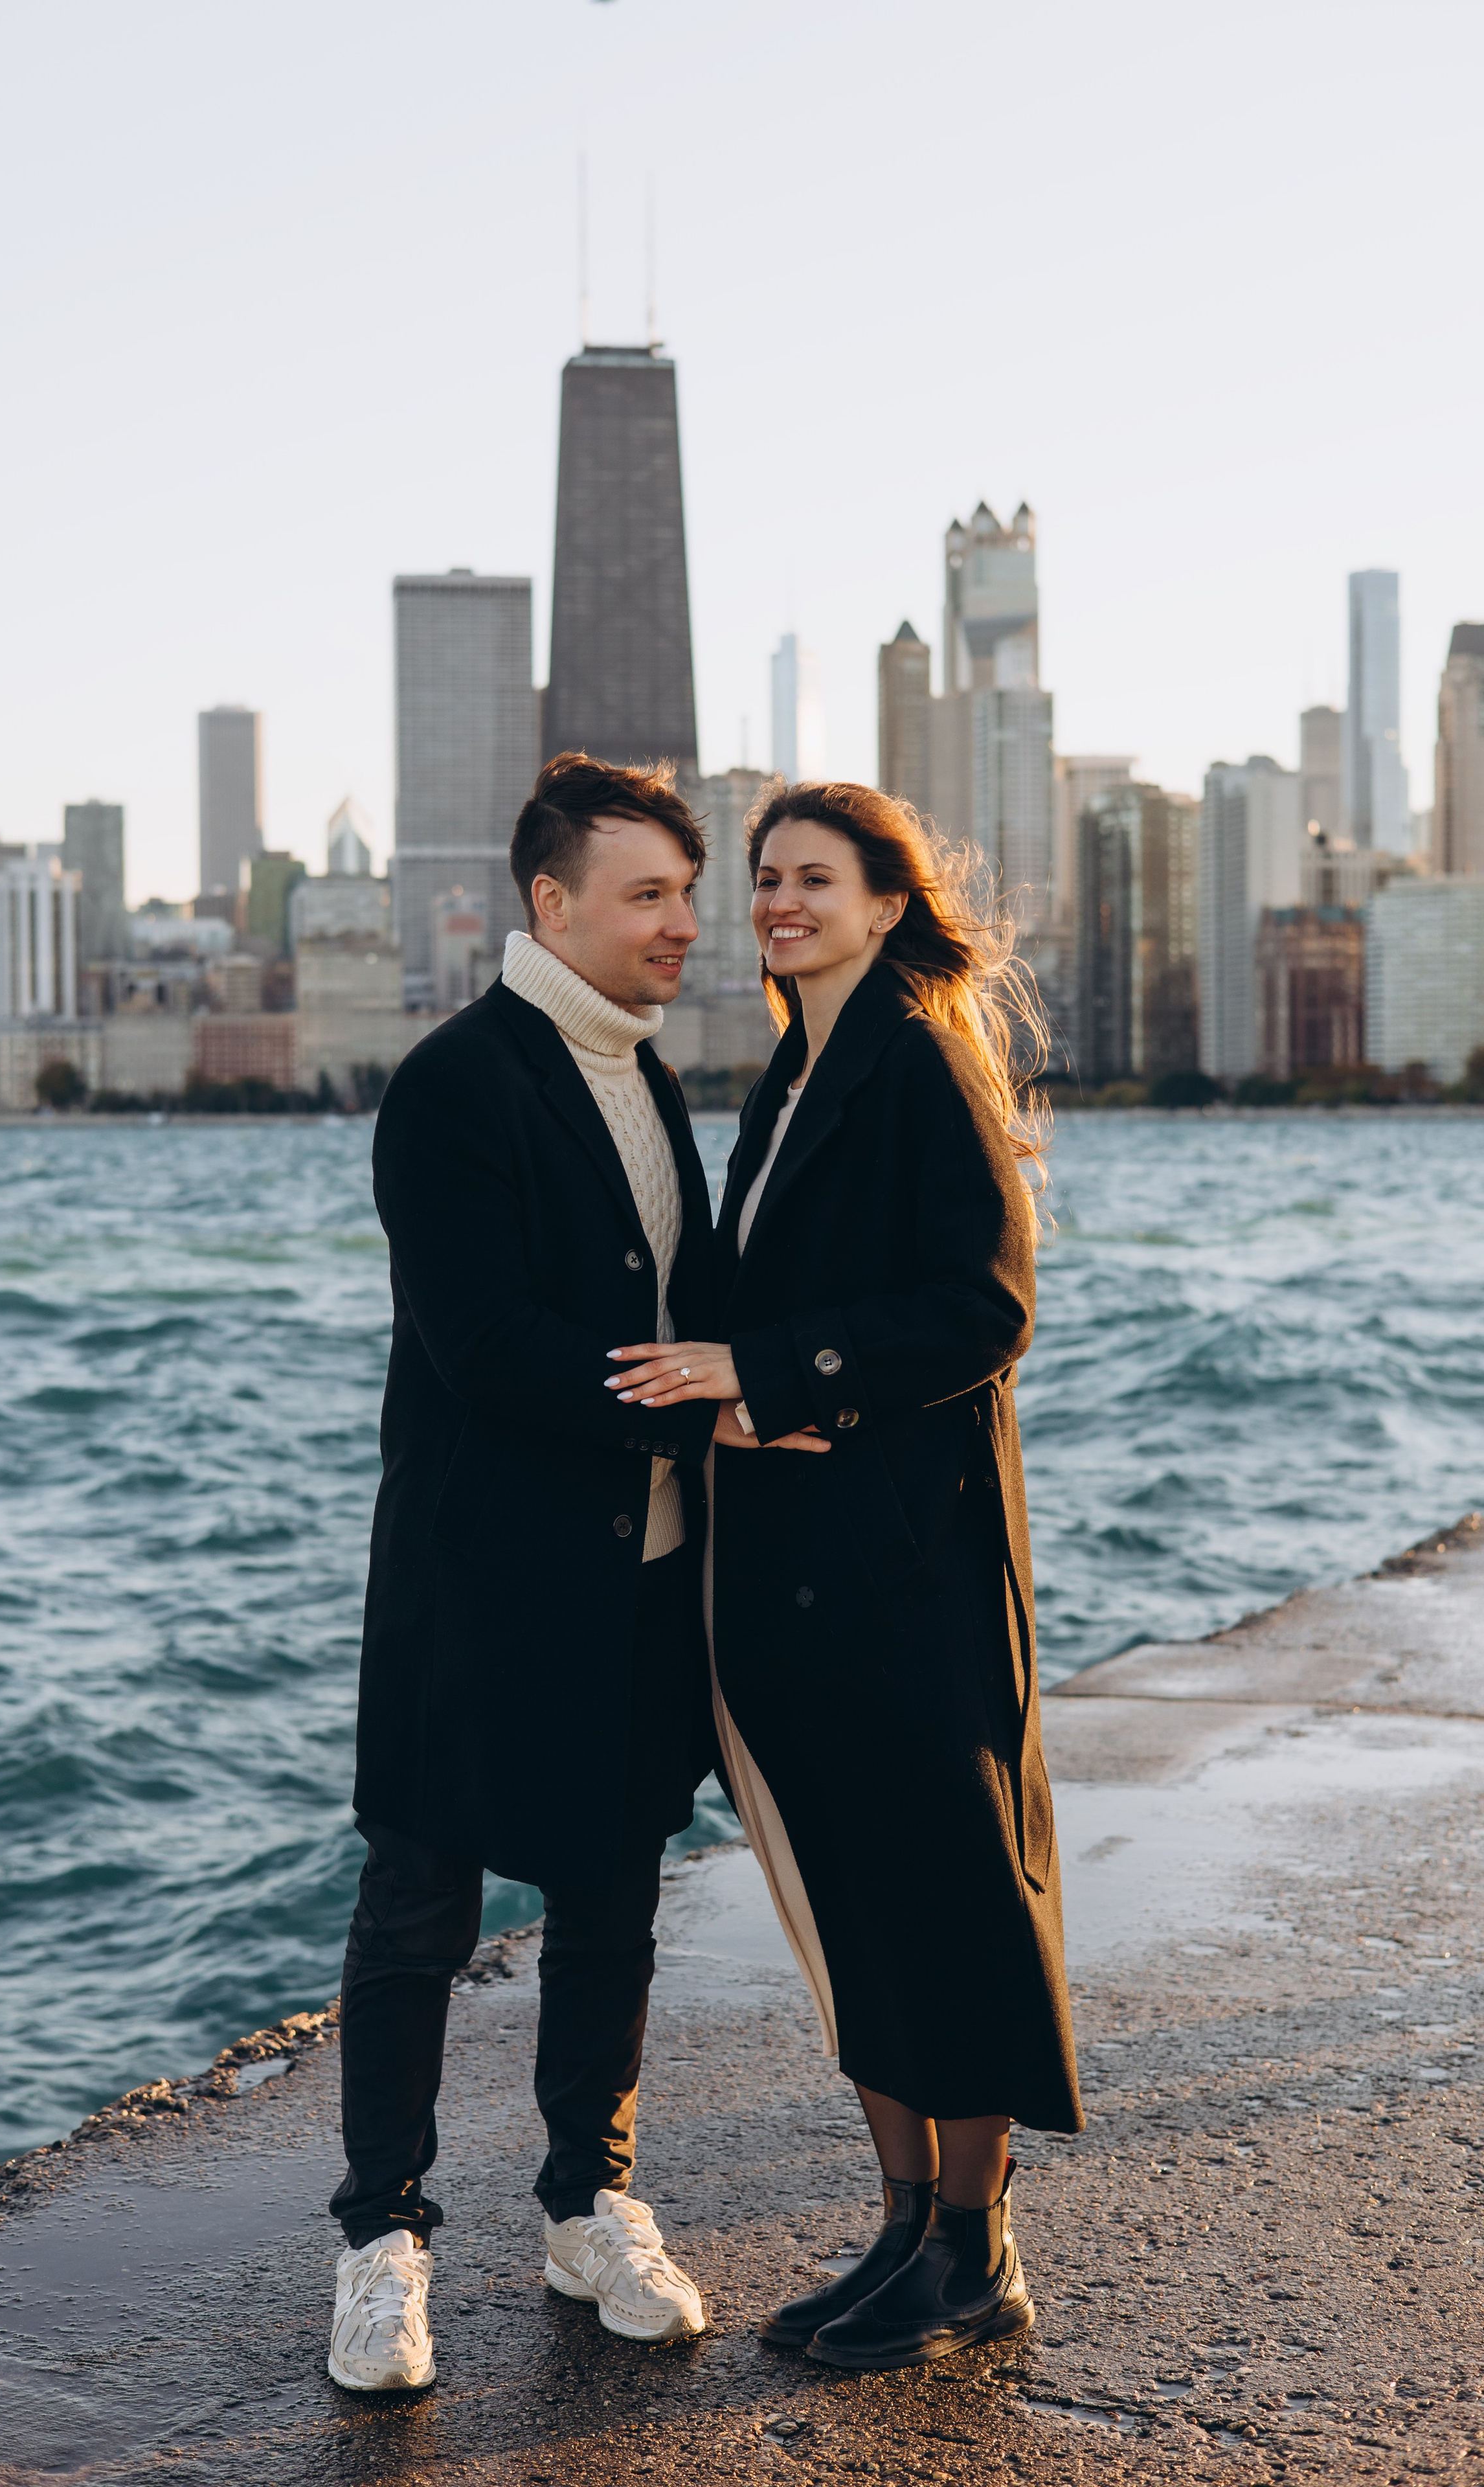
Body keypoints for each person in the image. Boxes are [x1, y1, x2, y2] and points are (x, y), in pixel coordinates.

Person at [326, 753, 816, 2394]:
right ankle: (379, 2240)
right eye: (651, 896)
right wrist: (700, 1404)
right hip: (480, 1589)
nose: (692, 923)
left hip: (639, 1578)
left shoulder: (649, 1076)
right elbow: (481, 1348)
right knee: (419, 1905)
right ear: (552, 903)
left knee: (610, 1902)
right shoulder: (456, 1082)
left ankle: (584, 2202)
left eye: (689, 893)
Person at [608, 779, 1085, 2374]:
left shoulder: (918, 1059)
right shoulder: (805, 1068)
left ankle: (973, 2252)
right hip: (810, 1575)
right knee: (856, 1907)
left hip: (908, 1569)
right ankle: (899, 2229)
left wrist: (784, 1373)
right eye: (762, 880)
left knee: (943, 1898)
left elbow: (984, 1305)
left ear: (888, 902)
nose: (775, 902)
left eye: (811, 878)